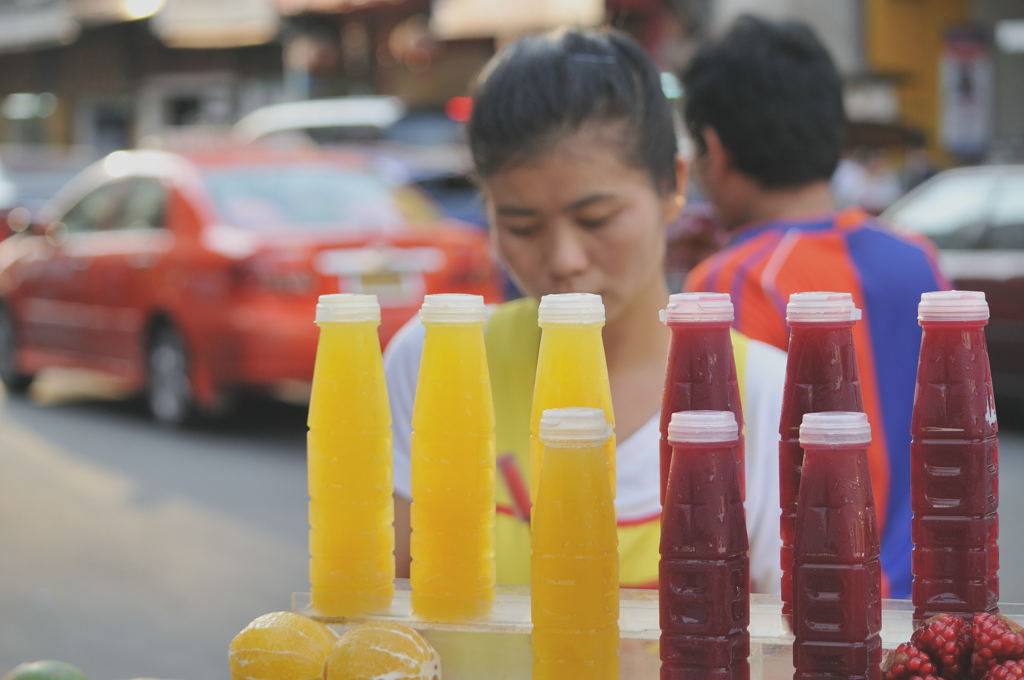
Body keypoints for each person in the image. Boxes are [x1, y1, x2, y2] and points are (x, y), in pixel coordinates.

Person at [384, 26, 787, 592]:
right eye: (522, 226)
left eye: (596, 220)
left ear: (672, 185)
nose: (564, 260)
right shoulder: (435, 364)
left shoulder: (764, 397)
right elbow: (386, 619)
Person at [681, 14, 951, 599]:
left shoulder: (734, 279)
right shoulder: (918, 258)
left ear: (712, 150)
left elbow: (717, 503)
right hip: (931, 613)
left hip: (821, 619)